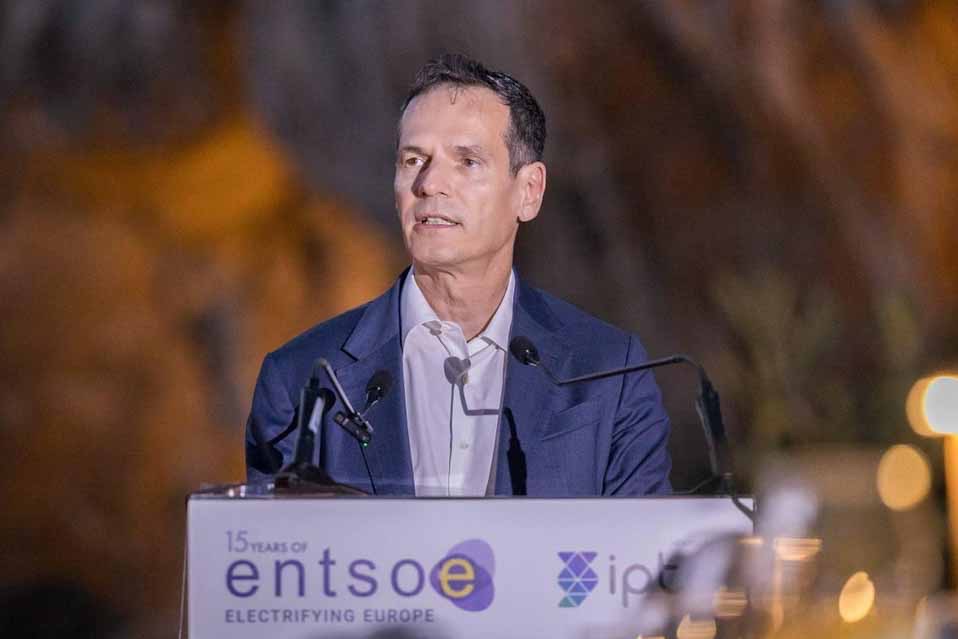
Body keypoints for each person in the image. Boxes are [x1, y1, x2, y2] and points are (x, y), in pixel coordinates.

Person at [245, 53, 670, 496]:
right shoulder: (301, 380)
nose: (429, 184)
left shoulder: (609, 371)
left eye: (467, 161)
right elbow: (275, 539)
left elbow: (641, 538)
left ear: (529, 192)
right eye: (413, 160)